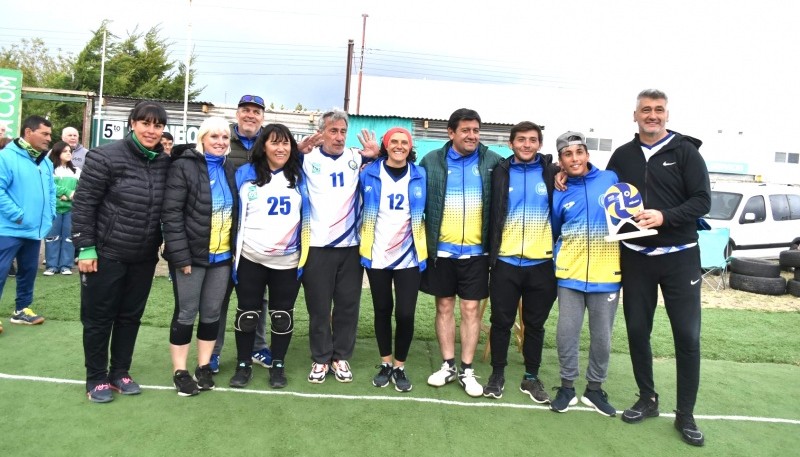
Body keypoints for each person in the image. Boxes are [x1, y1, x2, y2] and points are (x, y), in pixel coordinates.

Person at [610, 89, 710, 446]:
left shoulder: (685, 151)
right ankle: (647, 398)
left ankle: (685, 415)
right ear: (634, 115)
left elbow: (702, 201)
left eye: (659, 110)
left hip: (680, 255)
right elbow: (606, 194)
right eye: (646, 110)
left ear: (667, 115)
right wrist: (560, 174)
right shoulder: (621, 155)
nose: (652, 115)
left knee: (687, 336)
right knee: (637, 330)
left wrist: (665, 216)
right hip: (637, 257)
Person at [72, 101, 171, 403]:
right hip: (105, 253)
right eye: (145, 123)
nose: (151, 130)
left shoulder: (165, 163)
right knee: (99, 318)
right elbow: (84, 204)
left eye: (157, 125)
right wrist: (85, 248)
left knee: (130, 317)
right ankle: (96, 377)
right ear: (132, 123)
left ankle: (120, 372)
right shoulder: (105, 157)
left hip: (143, 257)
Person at [419, 108, 502, 397]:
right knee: (444, 307)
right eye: (466, 130)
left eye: (476, 130)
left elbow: (523, 168)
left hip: (477, 254)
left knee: (469, 310)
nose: (472, 136)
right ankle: (447, 365)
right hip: (441, 252)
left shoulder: (493, 162)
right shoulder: (431, 162)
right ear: (451, 133)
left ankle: (467, 369)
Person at [229, 123, 309, 389]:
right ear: (263, 145)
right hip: (251, 257)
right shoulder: (245, 173)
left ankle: (278, 364)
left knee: (282, 315)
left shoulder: (300, 175)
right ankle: (243, 364)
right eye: (275, 142)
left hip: (287, 261)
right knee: (247, 314)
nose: (281, 148)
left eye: (286, 143)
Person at [161, 117, 237, 396]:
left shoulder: (230, 168)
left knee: (212, 313)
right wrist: (181, 257)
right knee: (186, 312)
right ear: (202, 138)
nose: (220, 142)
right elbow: (171, 214)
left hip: (222, 258)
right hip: (191, 257)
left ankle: (203, 366)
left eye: (225, 137)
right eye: (214, 136)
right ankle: (180, 371)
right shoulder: (184, 166)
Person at [483, 121, 558, 403]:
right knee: (500, 322)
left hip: (542, 265)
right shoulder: (499, 173)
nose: (527, 144)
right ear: (511, 143)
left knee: (534, 325)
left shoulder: (551, 173)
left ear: (539, 144)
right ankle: (497, 374)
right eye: (521, 140)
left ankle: (531, 378)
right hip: (505, 262)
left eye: (532, 140)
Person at [301, 109, 378, 384]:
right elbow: (278, 166)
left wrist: (377, 154)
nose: (339, 137)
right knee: (319, 307)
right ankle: (321, 358)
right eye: (333, 131)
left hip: (351, 246)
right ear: (322, 132)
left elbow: (388, 168)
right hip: (318, 246)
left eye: (343, 131)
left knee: (347, 305)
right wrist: (297, 152)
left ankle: (340, 356)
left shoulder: (356, 158)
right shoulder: (308, 159)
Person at [549, 131, 621, 416]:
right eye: (568, 154)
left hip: (607, 275)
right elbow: (556, 230)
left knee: (602, 337)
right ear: (561, 161)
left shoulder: (610, 180)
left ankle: (594, 389)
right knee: (566, 333)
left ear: (587, 155)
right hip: (570, 274)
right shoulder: (560, 190)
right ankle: (567, 387)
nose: (575, 158)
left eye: (579, 152)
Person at [360, 127, 427, 392]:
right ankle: (386, 363)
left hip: (409, 256)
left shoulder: (421, 175)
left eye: (404, 142)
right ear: (385, 146)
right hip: (377, 254)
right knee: (382, 310)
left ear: (410, 147)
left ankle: (400, 366)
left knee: (406, 314)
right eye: (394, 142)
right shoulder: (369, 172)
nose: (399, 146)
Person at [210, 94, 272, 374]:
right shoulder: (222, 140)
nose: (251, 115)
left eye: (256, 112)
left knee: (258, 297)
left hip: (257, 233)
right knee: (219, 297)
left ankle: (258, 347)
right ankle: (212, 351)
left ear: (262, 116)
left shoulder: (269, 142)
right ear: (237, 114)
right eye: (246, 110)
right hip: (224, 230)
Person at [0, 115, 56, 325]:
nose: (49, 138)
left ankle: (21, 310)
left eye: (50, 134)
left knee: (28, 272)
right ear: (28, 132)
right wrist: (17, 215)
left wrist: (50, 214)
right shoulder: (6, 157)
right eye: (45, 133)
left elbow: (51, 191)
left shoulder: (46, 161)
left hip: (34, 230)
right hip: (7, 229)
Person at [43, 141, 81, 276]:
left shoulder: (76, 171)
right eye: (65, 151)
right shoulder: (49, 169)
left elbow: (80, 189)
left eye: (70, 151)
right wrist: (66, 192)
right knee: (52, 237)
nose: (69, 153)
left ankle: (66, 265)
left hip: (71, 209)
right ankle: (51, 266)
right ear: (57, 153)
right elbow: (49, 186)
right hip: (54, 209)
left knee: (69, 237)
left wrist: (70, 196)